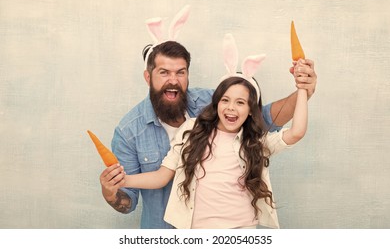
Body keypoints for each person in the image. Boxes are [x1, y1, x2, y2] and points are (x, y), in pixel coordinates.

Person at [100, 41, 317, 228]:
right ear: (148, 77)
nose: (173, 80)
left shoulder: (246, 136)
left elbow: (272, 120)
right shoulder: (169, 130)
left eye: (180, 72)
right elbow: (153, 182)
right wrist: (114, 186)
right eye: (164, 72)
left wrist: (304, 89)